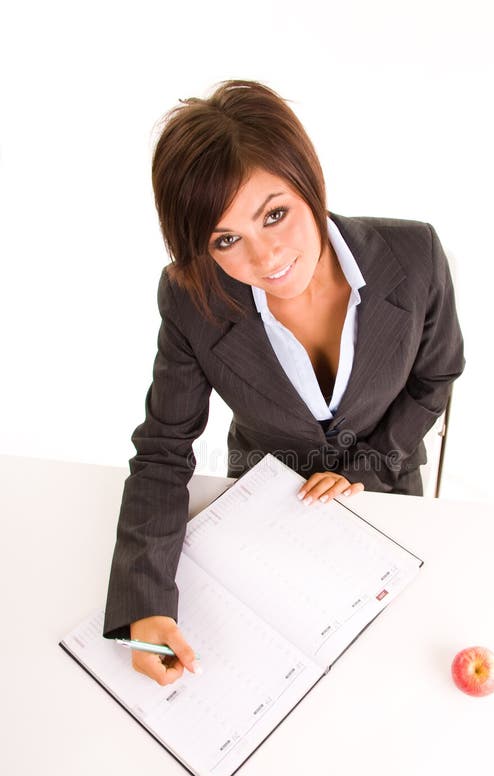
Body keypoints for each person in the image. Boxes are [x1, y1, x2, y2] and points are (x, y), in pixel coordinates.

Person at [103, 79, 465, 685]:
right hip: (266, 503)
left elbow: (436, 376)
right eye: (226, 239)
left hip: (388, 486)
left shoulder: (415, 254)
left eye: (275, 214)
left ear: (308, 181)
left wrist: (366, 466)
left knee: (391, 670)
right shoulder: (191, 298)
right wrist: (144, 603)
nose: (265, 257)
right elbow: (164, 452)